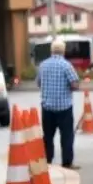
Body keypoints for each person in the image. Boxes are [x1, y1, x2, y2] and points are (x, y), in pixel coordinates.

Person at [37, 38, 81, 168]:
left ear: (51, 51)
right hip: (64, 108)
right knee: (66, 136)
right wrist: (71, 88)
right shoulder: (66, 65)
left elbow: (38, 83)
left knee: (48, 137)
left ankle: (48, 161)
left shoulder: (43, 65)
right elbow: (75, 84)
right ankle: (67, 162)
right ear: (63, 51)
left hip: (47, 107)